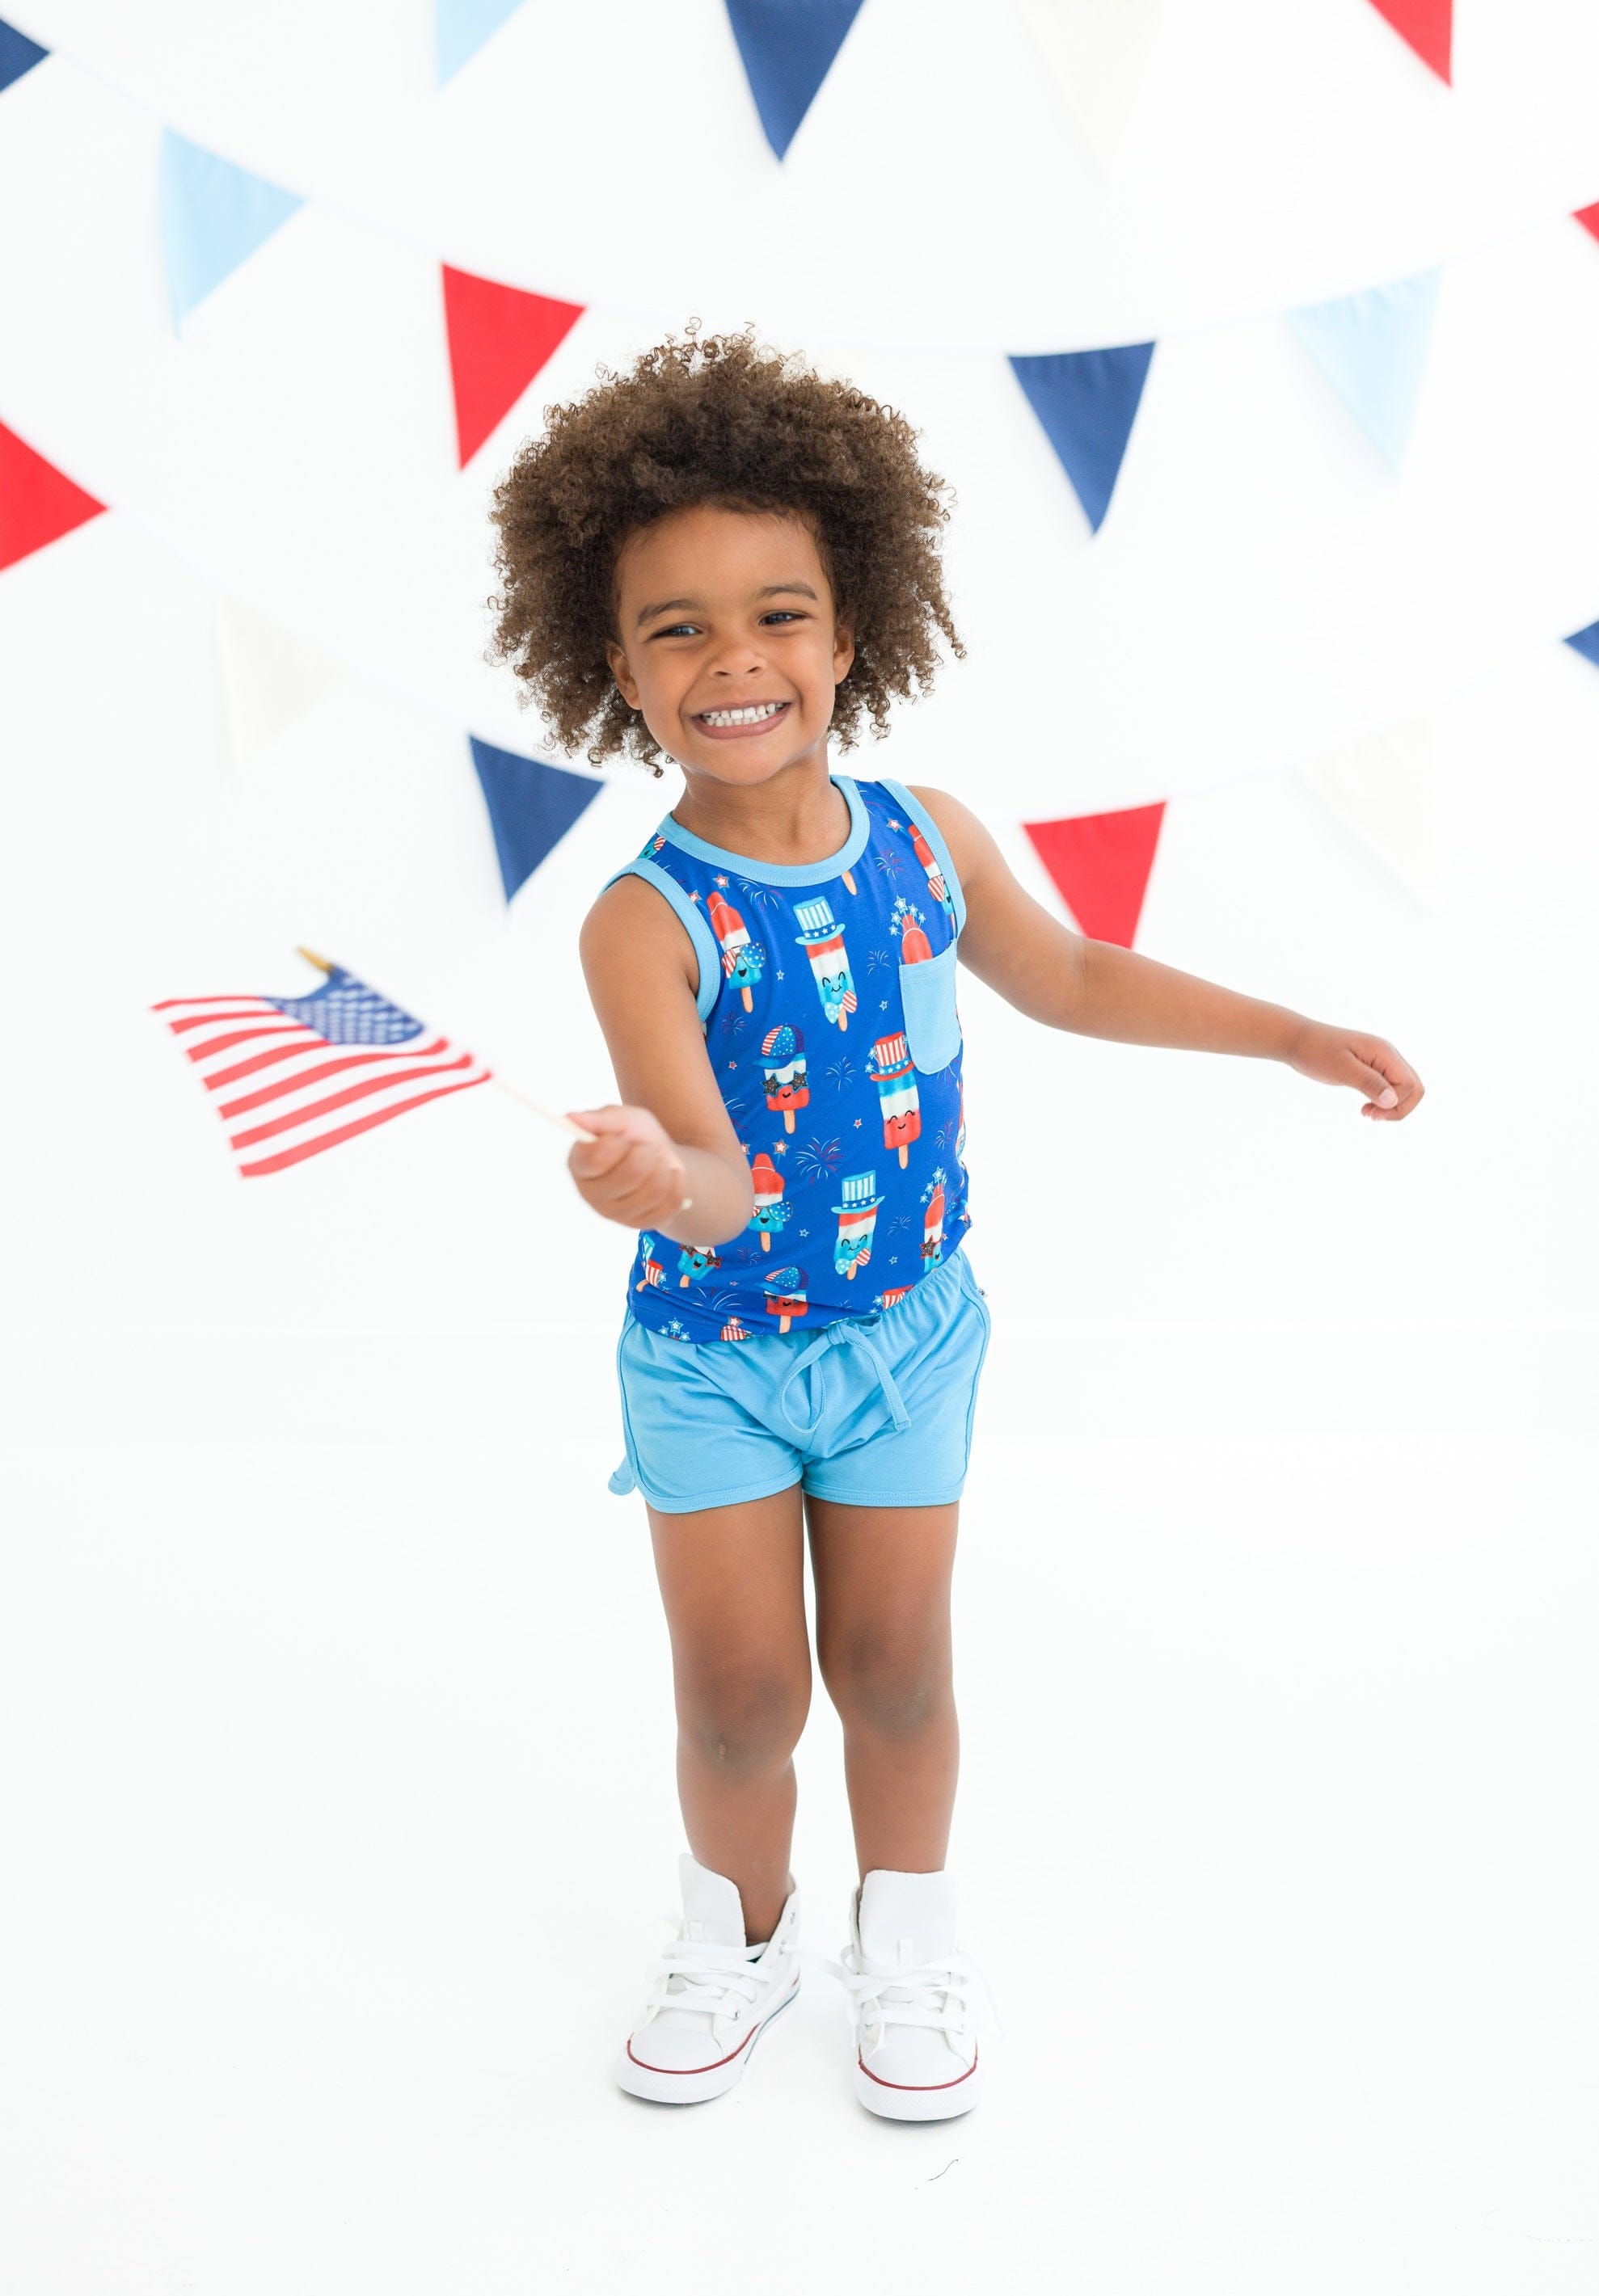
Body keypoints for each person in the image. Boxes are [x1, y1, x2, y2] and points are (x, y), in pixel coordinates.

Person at [485, 330, 1424, 2121]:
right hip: (715, 1356)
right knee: (739, 1698)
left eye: (776, 613)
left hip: (909, 1341)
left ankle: (903, 1939)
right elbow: (714, 1176)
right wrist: (647, 1180)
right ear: (615, 669)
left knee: (898, 1670)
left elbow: (1071, 975)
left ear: (849, 632)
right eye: (676, 628)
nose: (733, 657)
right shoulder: (642, 919)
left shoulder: (926, 840)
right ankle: (733, 1937)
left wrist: (1290, 1033)